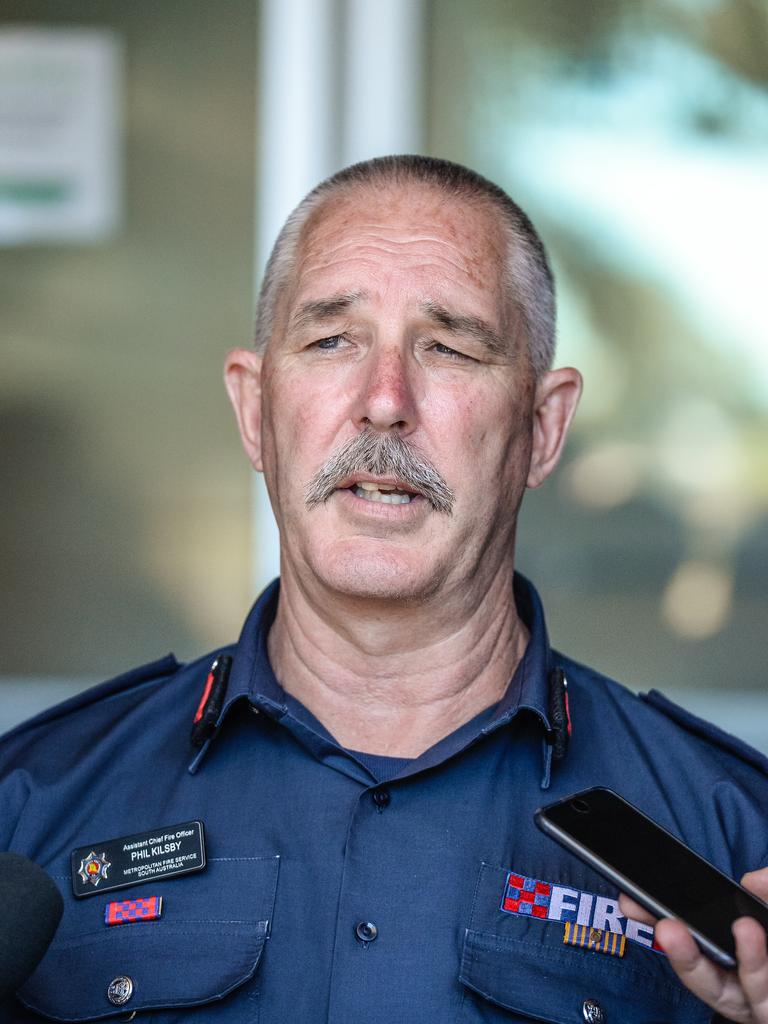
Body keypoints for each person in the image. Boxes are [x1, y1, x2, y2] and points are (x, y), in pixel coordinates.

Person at [1, 155, 766, 1024]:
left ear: (543, 430)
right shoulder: (30, 812)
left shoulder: (733, 842)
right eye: (332, 340)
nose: (385, 401)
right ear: (255, 411)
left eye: (449, 346)